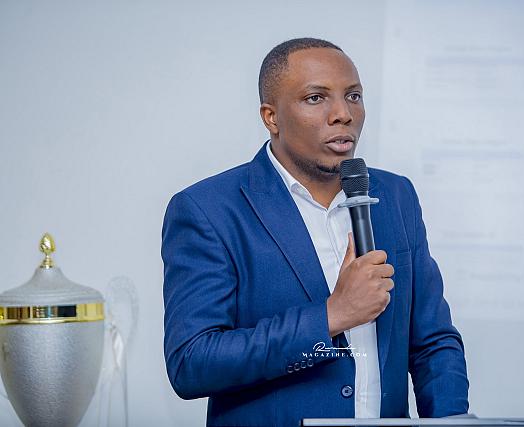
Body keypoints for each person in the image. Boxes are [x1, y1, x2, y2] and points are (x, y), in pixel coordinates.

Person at [162, 37, 469, 427]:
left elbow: (433, 342)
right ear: (271, 117)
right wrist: (331, 316)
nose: (343, 114)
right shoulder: (209, 210)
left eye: (353, 96)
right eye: (316, 98)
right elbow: (192, 362)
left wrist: (450, 421)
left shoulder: (396, 196)